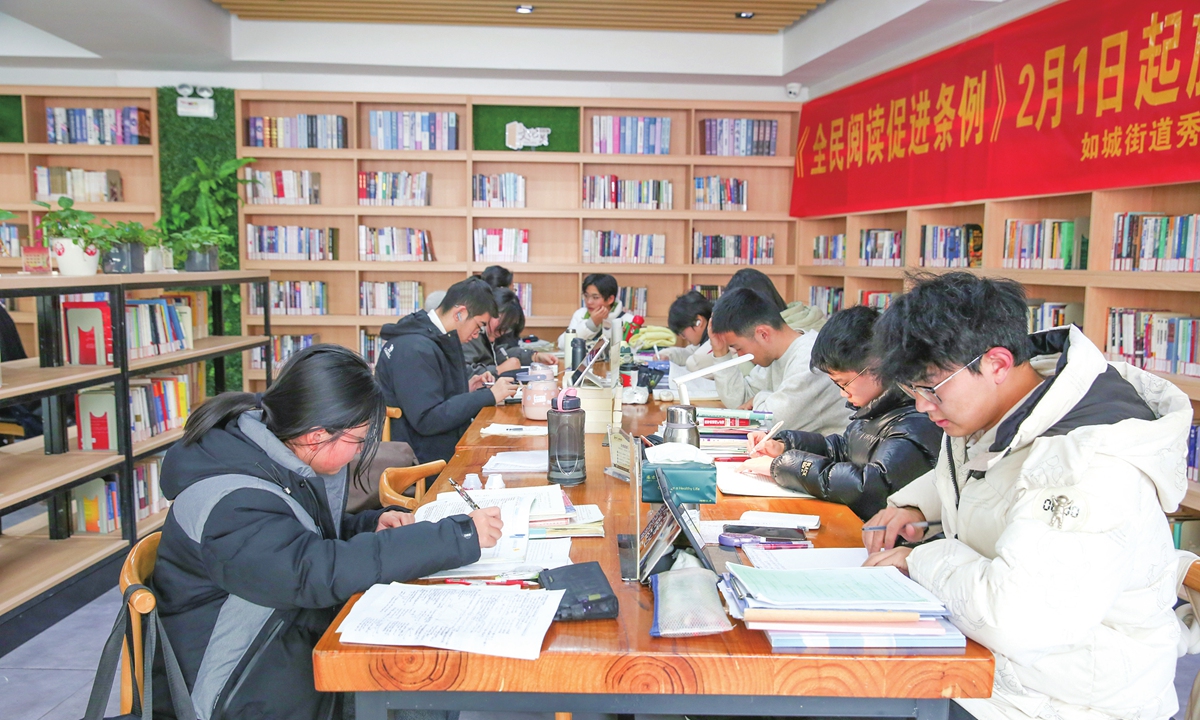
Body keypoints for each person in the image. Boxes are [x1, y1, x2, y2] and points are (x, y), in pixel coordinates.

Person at [861, 272, 1190, 720]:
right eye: (911, 390)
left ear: (997, 362)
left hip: (1068, 702)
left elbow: (1019, 619)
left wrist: (919, 560)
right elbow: (987, 473)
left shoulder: (1088, 464)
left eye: (930, 387)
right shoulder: (997, 404)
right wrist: (917, 503)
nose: (921, 406)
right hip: (997, 674)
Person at [152, 345, 505, 720]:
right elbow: (312, 571)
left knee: (426, 677)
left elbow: (297, 538)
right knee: (421, 688)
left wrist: (369, 524)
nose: (356, 455)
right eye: (357, 440)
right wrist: (453, 538)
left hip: (283, 643)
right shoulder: (232, 501)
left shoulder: (269, 454)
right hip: (240, 686)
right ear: (315, 435)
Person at [745, 306, 941, 520]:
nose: (842, 393)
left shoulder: (916, 420)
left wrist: (785, 466)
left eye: (844, 383)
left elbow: (869, 486)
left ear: (877, 365)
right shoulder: (873, 407)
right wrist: (785, 445)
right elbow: (842, 448)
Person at [376, 278, 516, 463]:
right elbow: (428, 420)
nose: (477, 334)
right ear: (460, 313)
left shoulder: (435, 339)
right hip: (421, 459)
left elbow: (428, 396)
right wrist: (488, 396)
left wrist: (465, 389)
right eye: (479, 325)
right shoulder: (414, 348)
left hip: (437, 444)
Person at [708, 287, 850, 434]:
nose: (740, 354)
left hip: (831, 455)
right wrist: (720, 352)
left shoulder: (810, 358)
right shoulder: (774, 356)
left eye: (738, 348)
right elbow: (740, 403)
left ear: (763, 334)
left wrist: (760, 397)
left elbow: (772, 422)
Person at [463, 286, 557, 377]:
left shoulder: (487, 335)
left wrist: (534, 357)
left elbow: (500, 354)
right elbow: (463, 373)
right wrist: (499, 370)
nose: (502, 331)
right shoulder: (471, 335)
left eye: (507, 327)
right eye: (501, 321)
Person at [562, 273, 634, 345]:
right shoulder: (580, 314)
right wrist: (591, 324)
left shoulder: (629, 320)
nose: (589, 302)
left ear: (610, 299)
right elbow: (562, 344)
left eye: (595, 297)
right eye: (586, 296)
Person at [662, 290, 713, 371]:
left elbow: (694, 363)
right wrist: (667, 355)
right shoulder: (706, 336)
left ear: (698, 322)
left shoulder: (717, 338)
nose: (683, 337)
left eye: (682, 332)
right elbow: (690, 352)